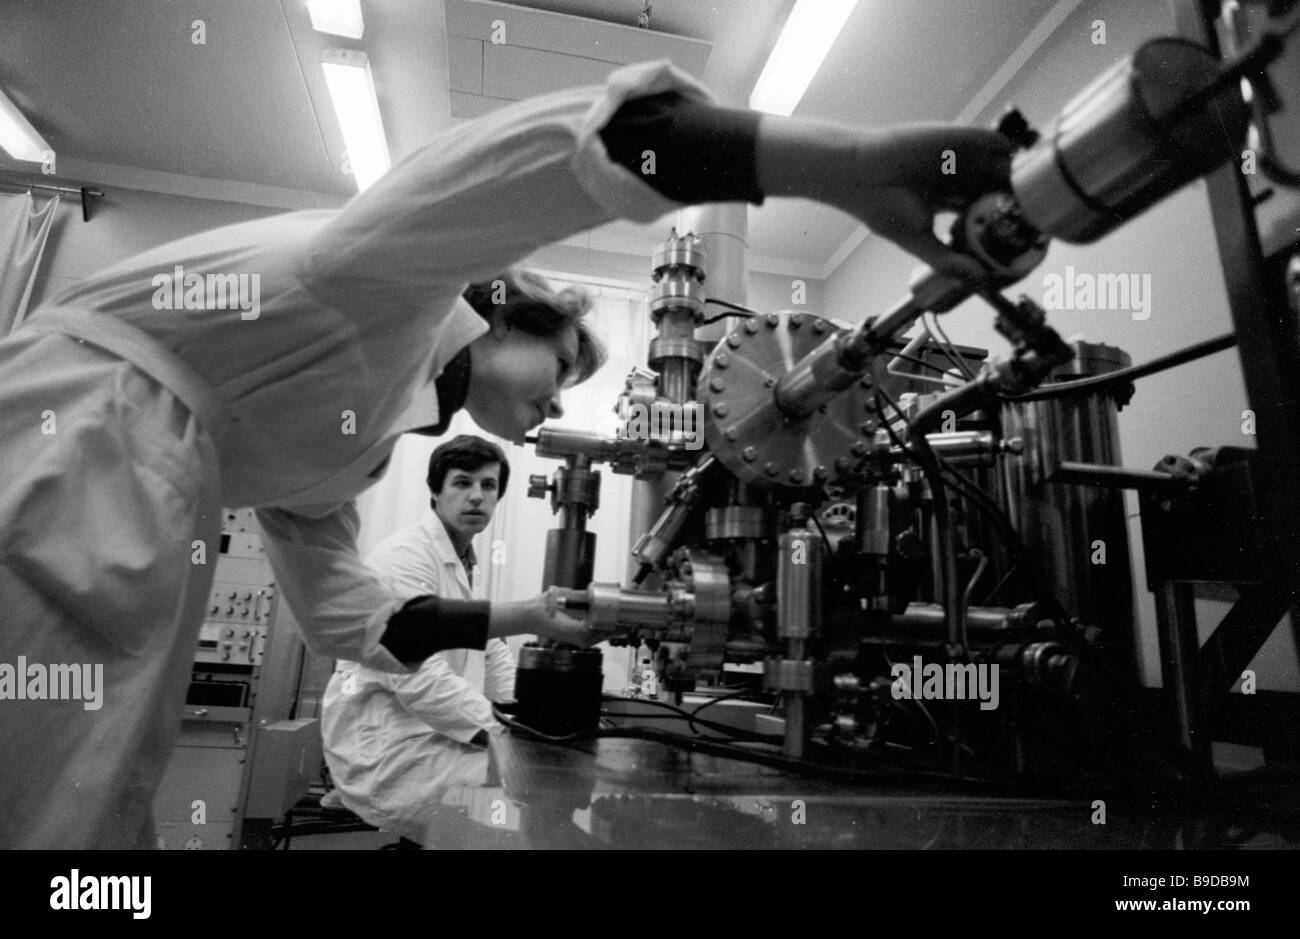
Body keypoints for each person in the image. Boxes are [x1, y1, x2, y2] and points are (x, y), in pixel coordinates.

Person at [0, 60, 1013, 848]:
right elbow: (561, 153)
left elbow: (352, 621)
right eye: (562, 368)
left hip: (141, 487)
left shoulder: (347, 459)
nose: (551, 408)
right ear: (500, 311)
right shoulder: (384, 286)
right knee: (51, 802)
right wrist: (839, 163)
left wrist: (526, 614)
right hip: (75, 439)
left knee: (81, 802)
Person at [321, 435, 517, 843]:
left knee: (529, 779)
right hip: (387, 747)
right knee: (523, 800)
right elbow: (417, 677)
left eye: (488, 485)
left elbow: (489, 644)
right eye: (463, 483)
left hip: (427, 733)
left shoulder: (464, 562)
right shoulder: (406, 557)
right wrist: (503, 733)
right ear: (435, 490)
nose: (477, 497)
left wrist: (522, 716)